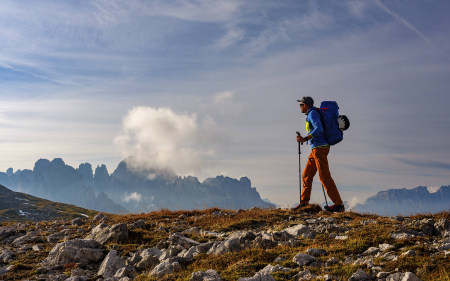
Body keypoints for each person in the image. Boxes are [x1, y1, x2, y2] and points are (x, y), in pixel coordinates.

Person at [294, 96, 345, 212]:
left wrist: (305, 138)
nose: (300, 107)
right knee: (306, 175)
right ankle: (304, 203)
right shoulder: (312, 113)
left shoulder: (312, 114)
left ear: (305, 105)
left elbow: (319, 129)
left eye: (300, 105)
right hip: (316, 149)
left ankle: (339, 204)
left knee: (324, 176)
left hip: (320, 149)